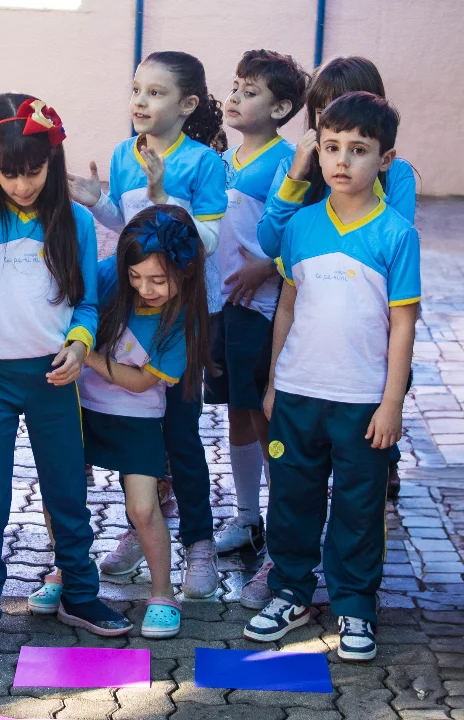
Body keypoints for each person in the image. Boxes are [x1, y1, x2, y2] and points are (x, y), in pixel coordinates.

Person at [0, 92, 134, 671]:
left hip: (55, 381)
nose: (22, 185)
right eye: (9, 173)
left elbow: (86, 305)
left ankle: (80, 593)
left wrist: (79, 344)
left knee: (68, 492)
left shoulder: (74, 220)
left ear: (52, 160)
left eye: (34, 170)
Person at [244, 92, 420, 663]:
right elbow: (287, 308)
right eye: (331, 147)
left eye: (358, 149)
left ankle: (355, 605)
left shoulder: (397, 234)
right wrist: (275, 382)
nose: (342, 160)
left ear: (385, 159)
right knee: (291, 500)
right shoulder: (300, 226)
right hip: (298, 392)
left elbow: (402, 324)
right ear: (317, 151)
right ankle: (290, 592)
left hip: (363, 401)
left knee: (358, 509)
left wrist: (391, 403)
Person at [68, 50, 228, 599]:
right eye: (137, 89)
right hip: (132, 301)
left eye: (155, 93)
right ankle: (143, 527)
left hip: (184, 311)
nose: (140, 101)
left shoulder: (205, 164)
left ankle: (199, 544)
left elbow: (208, 241)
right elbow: (129, 226)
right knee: (136, 428)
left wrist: (163, 197)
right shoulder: (123, 153)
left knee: (180, 432)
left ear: (187, 104)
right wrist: (99, 205)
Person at [81, 205, 213, 638]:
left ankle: (165, 588)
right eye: (136, 276)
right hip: (85, 409)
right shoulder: (107, 277)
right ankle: (68, 574)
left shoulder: (184, 320)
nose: (144, 288)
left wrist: (88, 357)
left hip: (138, 417)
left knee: (144, 504)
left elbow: (140, 383)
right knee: (66, 495)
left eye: (158, 279)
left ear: (185, 270)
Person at [207, 50, 308, 564]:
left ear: (280, 108)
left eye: (250, 92)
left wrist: (265, 268)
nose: (235, 98)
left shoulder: (289, 162)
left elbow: (296, 233)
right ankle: (247, 518)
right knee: (237, 411)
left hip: (262, 308)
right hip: (222, 305)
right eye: (235, 87)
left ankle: (283, 526)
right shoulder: (222, 160)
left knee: (265, 414)